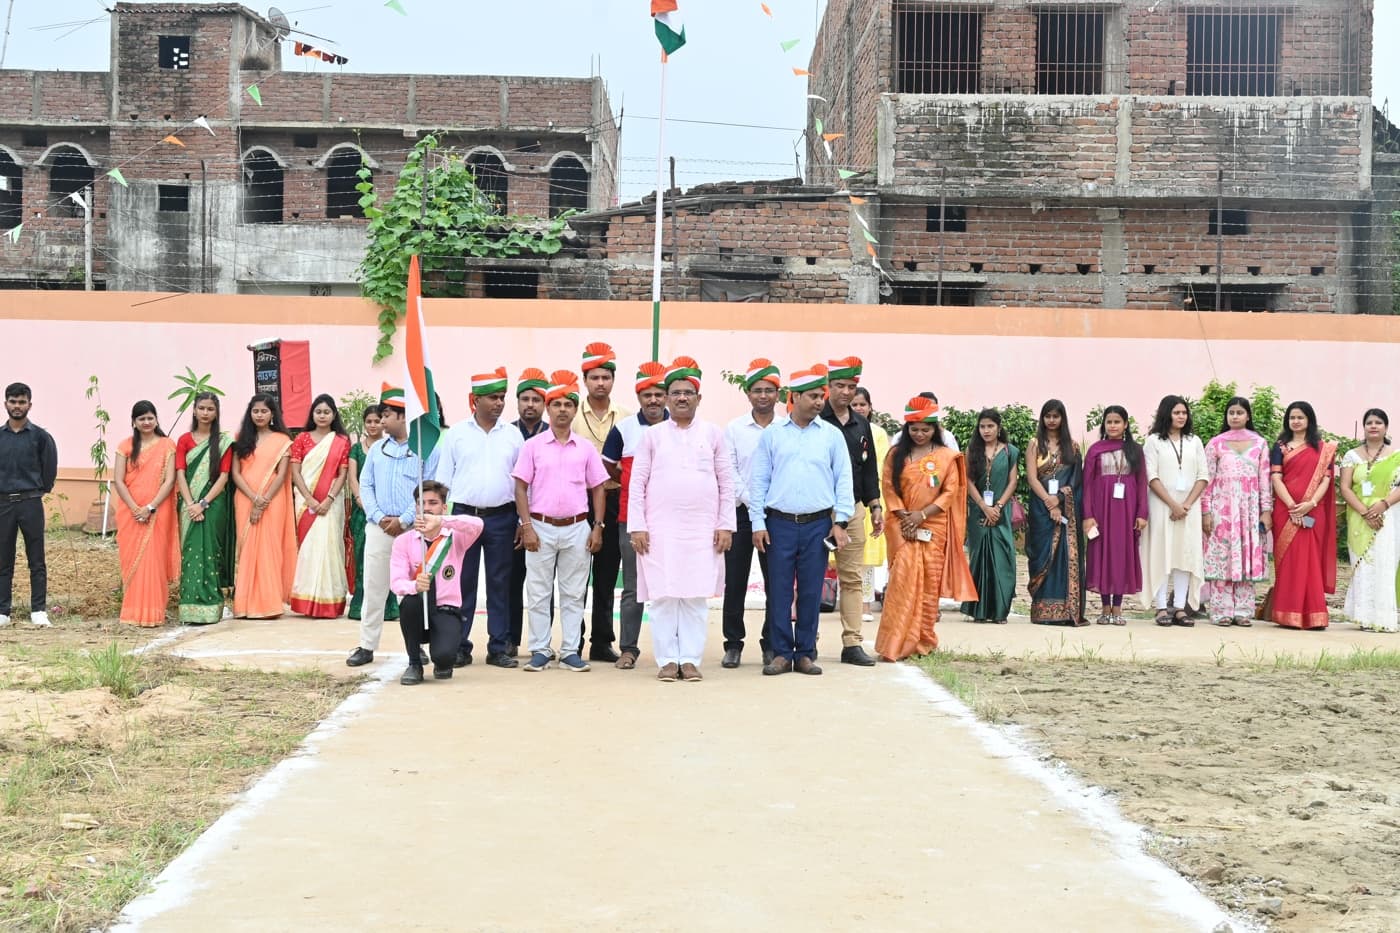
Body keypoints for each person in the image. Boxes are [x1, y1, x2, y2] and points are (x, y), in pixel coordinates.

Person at [628, 357, 735, 681]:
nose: (682, 398)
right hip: (660, 530)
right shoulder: (652, 436)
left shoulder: (714, 434)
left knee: (693, 596)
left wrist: (725, 524)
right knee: (663, 596)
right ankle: (667, 661)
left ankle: (689, 659)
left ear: (698, 398)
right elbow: (638, 482)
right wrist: (638, 526)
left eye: (688, 392)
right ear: (667, 398)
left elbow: (726, 481)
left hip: (702, 530)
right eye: (675, 393)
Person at [750, 364, 854, 676]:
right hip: (778, 523)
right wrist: (758, 523)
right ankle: (781, 653)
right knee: (779, 590)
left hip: (818, 525)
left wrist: (841, 521)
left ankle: (806, 653)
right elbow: (759, 482)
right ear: (794, 397)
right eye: (812, 396)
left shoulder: (831, 436)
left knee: (811, 590)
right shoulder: (772, 436)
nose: (820, 401)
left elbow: (843, 481)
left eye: (821, 396)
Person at [513, 370, 607, 673]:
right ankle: (540, 650)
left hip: (578, 528)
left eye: (568, 404)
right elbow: (520, 487)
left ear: (574, 409)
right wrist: (526, 526)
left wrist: (598, 527)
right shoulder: (533, 446)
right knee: (538, 592)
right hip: (539, 527)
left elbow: (598, 489)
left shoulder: (586, 448)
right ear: (548, 408)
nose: (562, 409)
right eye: (556, 404)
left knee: (573, 593)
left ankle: (569, 651)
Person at [434, 366, 524, 669]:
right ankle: (459, 645)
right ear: (476, 400)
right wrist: (439, 520)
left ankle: (498, 646)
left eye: (502, 398)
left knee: (500, 583)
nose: (499, 403)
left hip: (502, 518)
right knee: (462, 583)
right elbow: (443, 482)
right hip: (463, 517)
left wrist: (523, 523)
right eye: (493, 398)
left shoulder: (513, 436)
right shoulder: (456, 435)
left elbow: (523, 484)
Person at [876, 397, 977, 659]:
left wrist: (921, 515)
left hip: (933, 525)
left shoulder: (947, 457)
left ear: (935, 429)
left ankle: (923, 640)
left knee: (929, 585)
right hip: (901, 524)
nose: (919, 434)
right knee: (901, 581)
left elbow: (950, 492)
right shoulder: (896, 454)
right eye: (914, 428)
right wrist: (905, 517)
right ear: (907, 428)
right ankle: (895, 643)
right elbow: (888, 486)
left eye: (925, 429)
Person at [347, 385, 441, 666]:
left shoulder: (425, 450)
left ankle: (417, 646)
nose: (382, 420)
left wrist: (403, 520)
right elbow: (366, 484)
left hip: (412, 530)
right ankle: (366, 645)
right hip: (379, 528)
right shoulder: (377, 450)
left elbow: (428, 491)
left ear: (403, 418)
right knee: (374, 587)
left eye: (387, 415)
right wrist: (378, 517)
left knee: (413, 590)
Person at [602, 361, 671, 669]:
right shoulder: (624, 430)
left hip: (672, 520)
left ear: (667, 396)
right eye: (648, 395)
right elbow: (608, 465)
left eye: (659, 394)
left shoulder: (680, 428)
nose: (653, 400)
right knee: (633, 586)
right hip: (631, 520)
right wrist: (630, 480)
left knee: (671, 587)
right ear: (639, 397)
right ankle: (629, 648)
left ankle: (673, 650)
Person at [820, 356, 884, 667]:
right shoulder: (816, 419)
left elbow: (869, 467)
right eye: (840, 386)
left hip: (855, 509)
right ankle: (807, 641)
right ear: (828, 387)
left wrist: (875, 506)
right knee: (809, 576)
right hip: (819, 511)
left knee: (852, 577)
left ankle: (852, 642)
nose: (846, 393)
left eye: (851, 387)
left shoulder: (862, 425)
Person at [721, 358, 785, 668]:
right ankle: (733, 644)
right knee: (735, 581)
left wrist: (766, 506)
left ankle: (770, 643)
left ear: (778, 394)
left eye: (769, 390)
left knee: (776, 581)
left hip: (777, 514)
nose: (763, 396)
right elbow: (728, 471)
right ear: (748, 394)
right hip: (741, 513)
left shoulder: (787, 428)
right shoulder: (734, 429)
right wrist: (752, 503)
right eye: (757, 390)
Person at [389, 481, 485, 684]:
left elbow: (478, 524)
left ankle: (442, 659)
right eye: (420, 503)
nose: (426, 508)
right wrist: (414, 586)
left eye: (433, 503)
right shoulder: (403, 541)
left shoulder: (455, 537)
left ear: (443, 507)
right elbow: (396, 582)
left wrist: (442, 521)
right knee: (409, 602)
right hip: (418, 607)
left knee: (443, 659)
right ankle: (414, 663)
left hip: (445, 609)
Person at [572, 341, 629, 662]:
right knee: (576, 575)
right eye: (594, 377)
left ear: (612, 381)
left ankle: (602, 641)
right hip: (578, 502)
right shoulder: (571, 414)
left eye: (606, 377)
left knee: (607, 574)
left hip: (614, 497)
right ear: (585, 381)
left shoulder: (626, 416)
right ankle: (573, 641)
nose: (600, 383)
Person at [1202, 397, 1273, 627]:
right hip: (1221, 511)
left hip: (1250, 511)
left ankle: (1243, 610)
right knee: (1223, 558)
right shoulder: (1216, 444)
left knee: (1246, 556)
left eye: (1239, 412)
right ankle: (1221, 611)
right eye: (1231, 412)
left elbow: (1265, 481)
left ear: (1248, 416)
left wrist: (1266, 511)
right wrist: (1206, 511)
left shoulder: (1260, 444)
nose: (1234, 416)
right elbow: (1207, 481)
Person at [1141, 396, 1209, 627]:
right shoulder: (1153, 441)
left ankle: (1179, 607)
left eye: (1184, 413)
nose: (1181, 416)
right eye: (1176, 412)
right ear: (1166, 414)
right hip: (1162, 507)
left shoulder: (1194, 441)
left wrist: (1186, 505)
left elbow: (1203, 476)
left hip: (1189, 509)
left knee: (1184, 556)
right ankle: (1161, 607)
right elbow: (1151, 476)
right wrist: (1173, 505)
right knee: (1162, 554)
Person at [1268, 400, 1337, 630]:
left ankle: (1314, 615)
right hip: (1285, 511)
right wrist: (1291, 506)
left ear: (1309, 420)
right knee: (1290, 561)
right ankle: (1287, 613)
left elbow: (1326, 479)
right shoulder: (1280, 447)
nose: (1296, 421)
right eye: (1292, 418)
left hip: (1313, 511)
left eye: (1300, 417)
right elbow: (1276, 478)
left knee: (1310, 561)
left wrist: (1310, 503)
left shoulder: (1322, 449)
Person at [113, 400, 179, 626]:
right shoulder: (125, 446)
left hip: (157, 512)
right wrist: (134, 508)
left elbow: (170, 480)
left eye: (150, 418)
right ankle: (132, 613)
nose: (147, 422)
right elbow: (119, 481)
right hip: (130, 513)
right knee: (133, 560)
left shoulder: (167, 445)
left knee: (154, 560)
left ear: (157, 419)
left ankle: (153, 613)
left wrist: (150, 507)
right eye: (142, 418)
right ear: (134, 421)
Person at [230, 394, 296, 620]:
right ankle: (245, 605)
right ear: (250, 413)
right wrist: (253, 498)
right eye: (255, 411)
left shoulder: (282, 440)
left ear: (272, 414)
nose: (259, 415)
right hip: (245, 498)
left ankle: (269, 604)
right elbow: (235, 473)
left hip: (273, 500)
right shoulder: (241, 438)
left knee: (270, 548)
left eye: (264, 411)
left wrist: (264, 500)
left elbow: (281, 474)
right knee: (247, 548)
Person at [1083, 405, 1148, 625]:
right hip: (1101, 510)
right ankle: (1104, 608)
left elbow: (1141, 484)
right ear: (1104, 424)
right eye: (1109, 422)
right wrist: (1088, 515)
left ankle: (1118, 608)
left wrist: (1142, 513)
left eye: (1117, 422)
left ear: (1126, 424)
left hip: (1126, 511)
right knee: (1102, 553)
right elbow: (1088, 485)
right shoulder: (1094, 450)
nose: (1112, 426)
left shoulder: (1136, 450)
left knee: (1121, 555)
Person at [0, 382, 57, 628]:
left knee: (36, 558)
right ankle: (3, 611)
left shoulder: (41, 437)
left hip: (31, 502)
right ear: (5, 404)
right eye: (13, 401)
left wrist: (37, 491)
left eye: (22, 402)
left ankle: (39, 610)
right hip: (3, 505)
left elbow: (49, 469)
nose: (17, 406)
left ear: (29, 405)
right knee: (3, 559)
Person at [288, 394, 351, 618]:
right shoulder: (301, 439)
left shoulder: (341, 441)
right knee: (308, 549)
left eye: (327, 412)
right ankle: (305, 601)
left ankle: (329, 602)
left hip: (330, 504)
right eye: (318, 411)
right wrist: (310, 499)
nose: (322, 415)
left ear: (334, 415)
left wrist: (329, 499)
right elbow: (295, 472)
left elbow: (342, 473)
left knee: (329, 547)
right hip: (306, 504)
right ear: (312, 414)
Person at [1025, 400, 1086, 627]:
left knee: (1064, 556)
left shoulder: (1073, 447)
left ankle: (1066, 611)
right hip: (1041, 509)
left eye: (1055, 416)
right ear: (1042, 419)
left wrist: (1059, 500)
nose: (1051, 420)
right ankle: (1043, 611)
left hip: (1065, 509)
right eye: (1047, 416)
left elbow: (1075, 481)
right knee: (1042, 558)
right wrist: (1050, 504)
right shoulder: (1034, 445)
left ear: (1062, 418)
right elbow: (1032, 478)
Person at [174, 392, 234, 624]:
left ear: (216, 412)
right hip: (189, 506)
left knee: (210, 552)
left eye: (210, 408)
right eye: (202, 408)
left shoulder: (224, 441)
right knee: (191, 552)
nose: (206, 413)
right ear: (194, 410)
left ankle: (211, 605)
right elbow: (180, 473)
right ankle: (190, 606)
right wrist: (190, 504)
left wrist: (203, 504)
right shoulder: (184, 440)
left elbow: (224, 476)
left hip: (213, 504)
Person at [1340, 408, 1400, 633]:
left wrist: (1383, 505)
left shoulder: (1397, 455)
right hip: (1359, 516)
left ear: (1386, 427)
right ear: (1364, 428)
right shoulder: (1352, 455)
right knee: (1364, 565)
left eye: (1378, 422)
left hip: (1387, 515)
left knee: (1384, 564)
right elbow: (1345, 488)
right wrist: (1365, 512)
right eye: (1369, 423)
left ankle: (1384, 617)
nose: (1373, 426)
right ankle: (1364, 617)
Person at [961, 408, 1018, 624]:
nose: (986, 430)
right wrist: (984, 507)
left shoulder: (1010, 451)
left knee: (1004, 560)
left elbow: (1013, 482)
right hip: (978, 511)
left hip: (1001, 512)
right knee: (979, 559)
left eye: (990, 426)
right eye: (982, 426)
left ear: (999, 427)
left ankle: (1000, 611)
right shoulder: (972, 450)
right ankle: (979, 611)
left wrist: (998, 506)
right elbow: (968, 482)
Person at [508, 368, 550, 655]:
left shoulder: (553, 434)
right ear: (518, 402)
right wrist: (520, 521)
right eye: (525, 399)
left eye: (536, 399)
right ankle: (510, 640)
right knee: (512, 581)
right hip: (511, 518)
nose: (530, 404)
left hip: (547, 520)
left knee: (545, 585)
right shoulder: (507, 434)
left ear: (544, 403)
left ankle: (545, 643)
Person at [348, 404, 398, 625]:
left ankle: (390, 608)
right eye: (368, 421)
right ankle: (360, 606)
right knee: (363, 560)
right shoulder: (357, 449)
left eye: (378, 420)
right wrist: (363, 503)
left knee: (392, 560)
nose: (373, 425)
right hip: (363, 513)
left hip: (389, 514)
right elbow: (354, 479)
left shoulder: (392, 448)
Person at [851, 387, 891, 623]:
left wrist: (874, 501)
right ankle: (850, 602)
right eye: (854, 405)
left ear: (870, 407)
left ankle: (865, 604)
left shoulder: (877, 432)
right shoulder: (840, 428)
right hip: (848, 497)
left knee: (867, 554)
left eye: (862, 405)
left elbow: (881, 466)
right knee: (848, 554)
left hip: (871, 498)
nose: (858, 409)